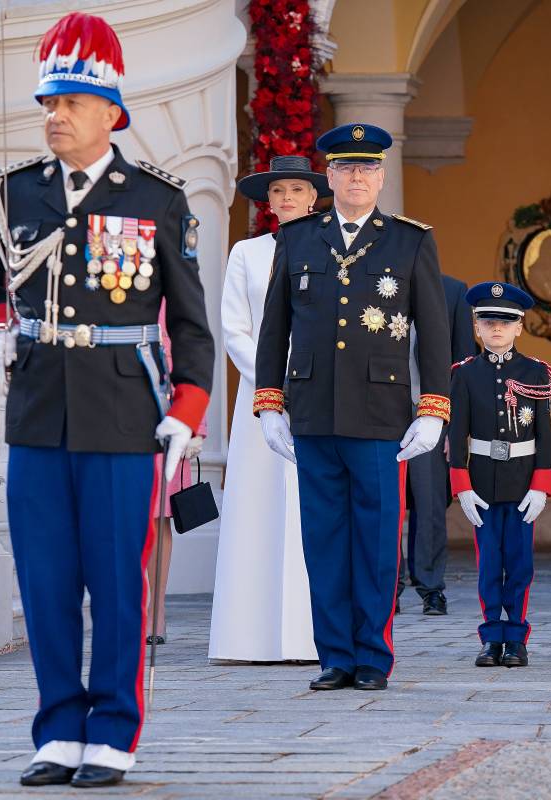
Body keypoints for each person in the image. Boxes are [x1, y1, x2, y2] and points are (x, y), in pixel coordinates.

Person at [0, 13, 213, 788]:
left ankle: (113, 731)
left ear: (111, 113)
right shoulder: (14, 193)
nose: (54, 117)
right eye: (48, 103)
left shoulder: (156, 200)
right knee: (45, 580)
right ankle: (58, 730)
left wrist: (187, 412)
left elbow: (193, 322)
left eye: (69, 103)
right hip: (38, 414)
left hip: (122, 415)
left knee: (115, 579)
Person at [254, 123, 451, 692]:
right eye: (345, 168)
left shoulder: (409, 240)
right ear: (329, 178)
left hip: (380, 411)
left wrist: (433, 407)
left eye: (367, 168)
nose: (357, 177)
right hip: (313, 410)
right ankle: (334, 656)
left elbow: (434, 332)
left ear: (382, 176)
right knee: (323, 538)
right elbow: (276, 329)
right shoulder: (298, 239)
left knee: (374, 537)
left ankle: (372, 655)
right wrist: (270, 402)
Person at [209, 155, 331, 662]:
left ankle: (311, 635)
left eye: (295, 190)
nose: (285, 199)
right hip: (262, 397)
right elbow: (234, 325)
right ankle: (248, 636)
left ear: (312, 197)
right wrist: (270, 381)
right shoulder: (247, 252)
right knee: (257, 507)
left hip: (319, 393)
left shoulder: (330, 249)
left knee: (313, 507)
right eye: (277, 191)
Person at [448, 282, 551, 669]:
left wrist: (541, 486)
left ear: (519, 328)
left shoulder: (535, 372)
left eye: (506, 322)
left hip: (523, 480)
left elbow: (545, 433)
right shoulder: (464, 374)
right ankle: (492, 636)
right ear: (477, 328)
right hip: (483, 482)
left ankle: (517, 637)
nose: (497, 329)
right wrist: (462, 486)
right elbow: (456, 433)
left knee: (520, 561)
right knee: (489, 561)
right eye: (489, 322)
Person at [398, 273, 477, 616]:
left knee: (430, 503)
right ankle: (389, 586)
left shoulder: (452, 291)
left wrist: (457, 428)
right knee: (387, 504)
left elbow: (463, 363)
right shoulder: (375, 280)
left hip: (433, 412)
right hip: (381, 412)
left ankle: (430, 587)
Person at [146, 303, 207, 646]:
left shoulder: (168, 285)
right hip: (116, 411)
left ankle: (156, 611)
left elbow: (191, 354)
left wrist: (196, 424)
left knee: (158, 517)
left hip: (168, 416)